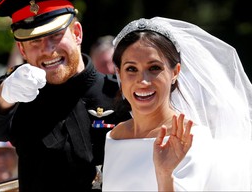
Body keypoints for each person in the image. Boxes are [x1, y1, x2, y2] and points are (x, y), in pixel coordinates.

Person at [0, 0, 130, 192]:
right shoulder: (19, 97)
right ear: (22, 50)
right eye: (34, 41)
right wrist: (4, 94)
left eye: (55, 36)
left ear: (77, 33)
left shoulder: (119, 92)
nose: (47, 49)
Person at [102, 17, 252, 191]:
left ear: (175, 72)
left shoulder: (193, 139)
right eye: (131, 69)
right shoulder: (115, 136)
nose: (143, 81)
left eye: (154, 68)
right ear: (119, 73)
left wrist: (165, 175)